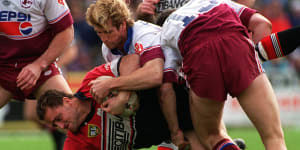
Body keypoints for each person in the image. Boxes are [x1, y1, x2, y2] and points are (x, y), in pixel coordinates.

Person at [37, 54, 246, 150]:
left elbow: (131, 60)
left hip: (174, 99)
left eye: (58, 119)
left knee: (212, 139)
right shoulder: (76, 142)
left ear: (67, 101)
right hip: (166, 136)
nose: (61, 127)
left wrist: (123, 94)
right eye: (55, 126)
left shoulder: (92, 83)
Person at [159, 0, 287, 149]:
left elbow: (166, 88)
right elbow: (263, 23)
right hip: (236, 44)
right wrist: (253, 60)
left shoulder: (164, 33)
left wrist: (175, 131)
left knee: (212, 136)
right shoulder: (210, 1)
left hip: (200, 57)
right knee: (273, 136)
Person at [85, 0, 188, 148]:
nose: (104, 38)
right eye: (99, 32)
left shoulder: (143, 35)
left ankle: (174, 133)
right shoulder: (107, 48)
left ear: (122, 25)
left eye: (108, 32)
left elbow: (154, 75)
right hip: (161, 98)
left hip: (183, 84)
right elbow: (130, 76)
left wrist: (112, 85)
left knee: (164, 88)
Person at [0, 0, 74, 149]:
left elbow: (67, 31)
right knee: (32, 115)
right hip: (3, 67)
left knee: (75, 115)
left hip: (40, 67)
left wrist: (39, 65)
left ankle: (60, 140)